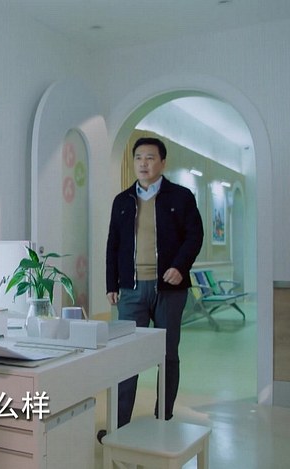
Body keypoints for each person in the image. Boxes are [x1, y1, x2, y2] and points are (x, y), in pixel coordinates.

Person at [103, 136, 203, 431]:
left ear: (162, 162)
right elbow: (113, 244)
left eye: (149, 158)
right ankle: (119, 424)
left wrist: (180, 267)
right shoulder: (122, 201)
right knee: (126, 355)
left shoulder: (181, 197)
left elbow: (194, 236)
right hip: (131, 289)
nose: (143, 163)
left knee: (167, 354)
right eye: (138, 158)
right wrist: (111, 284)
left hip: (168, 290)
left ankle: (164, 418)